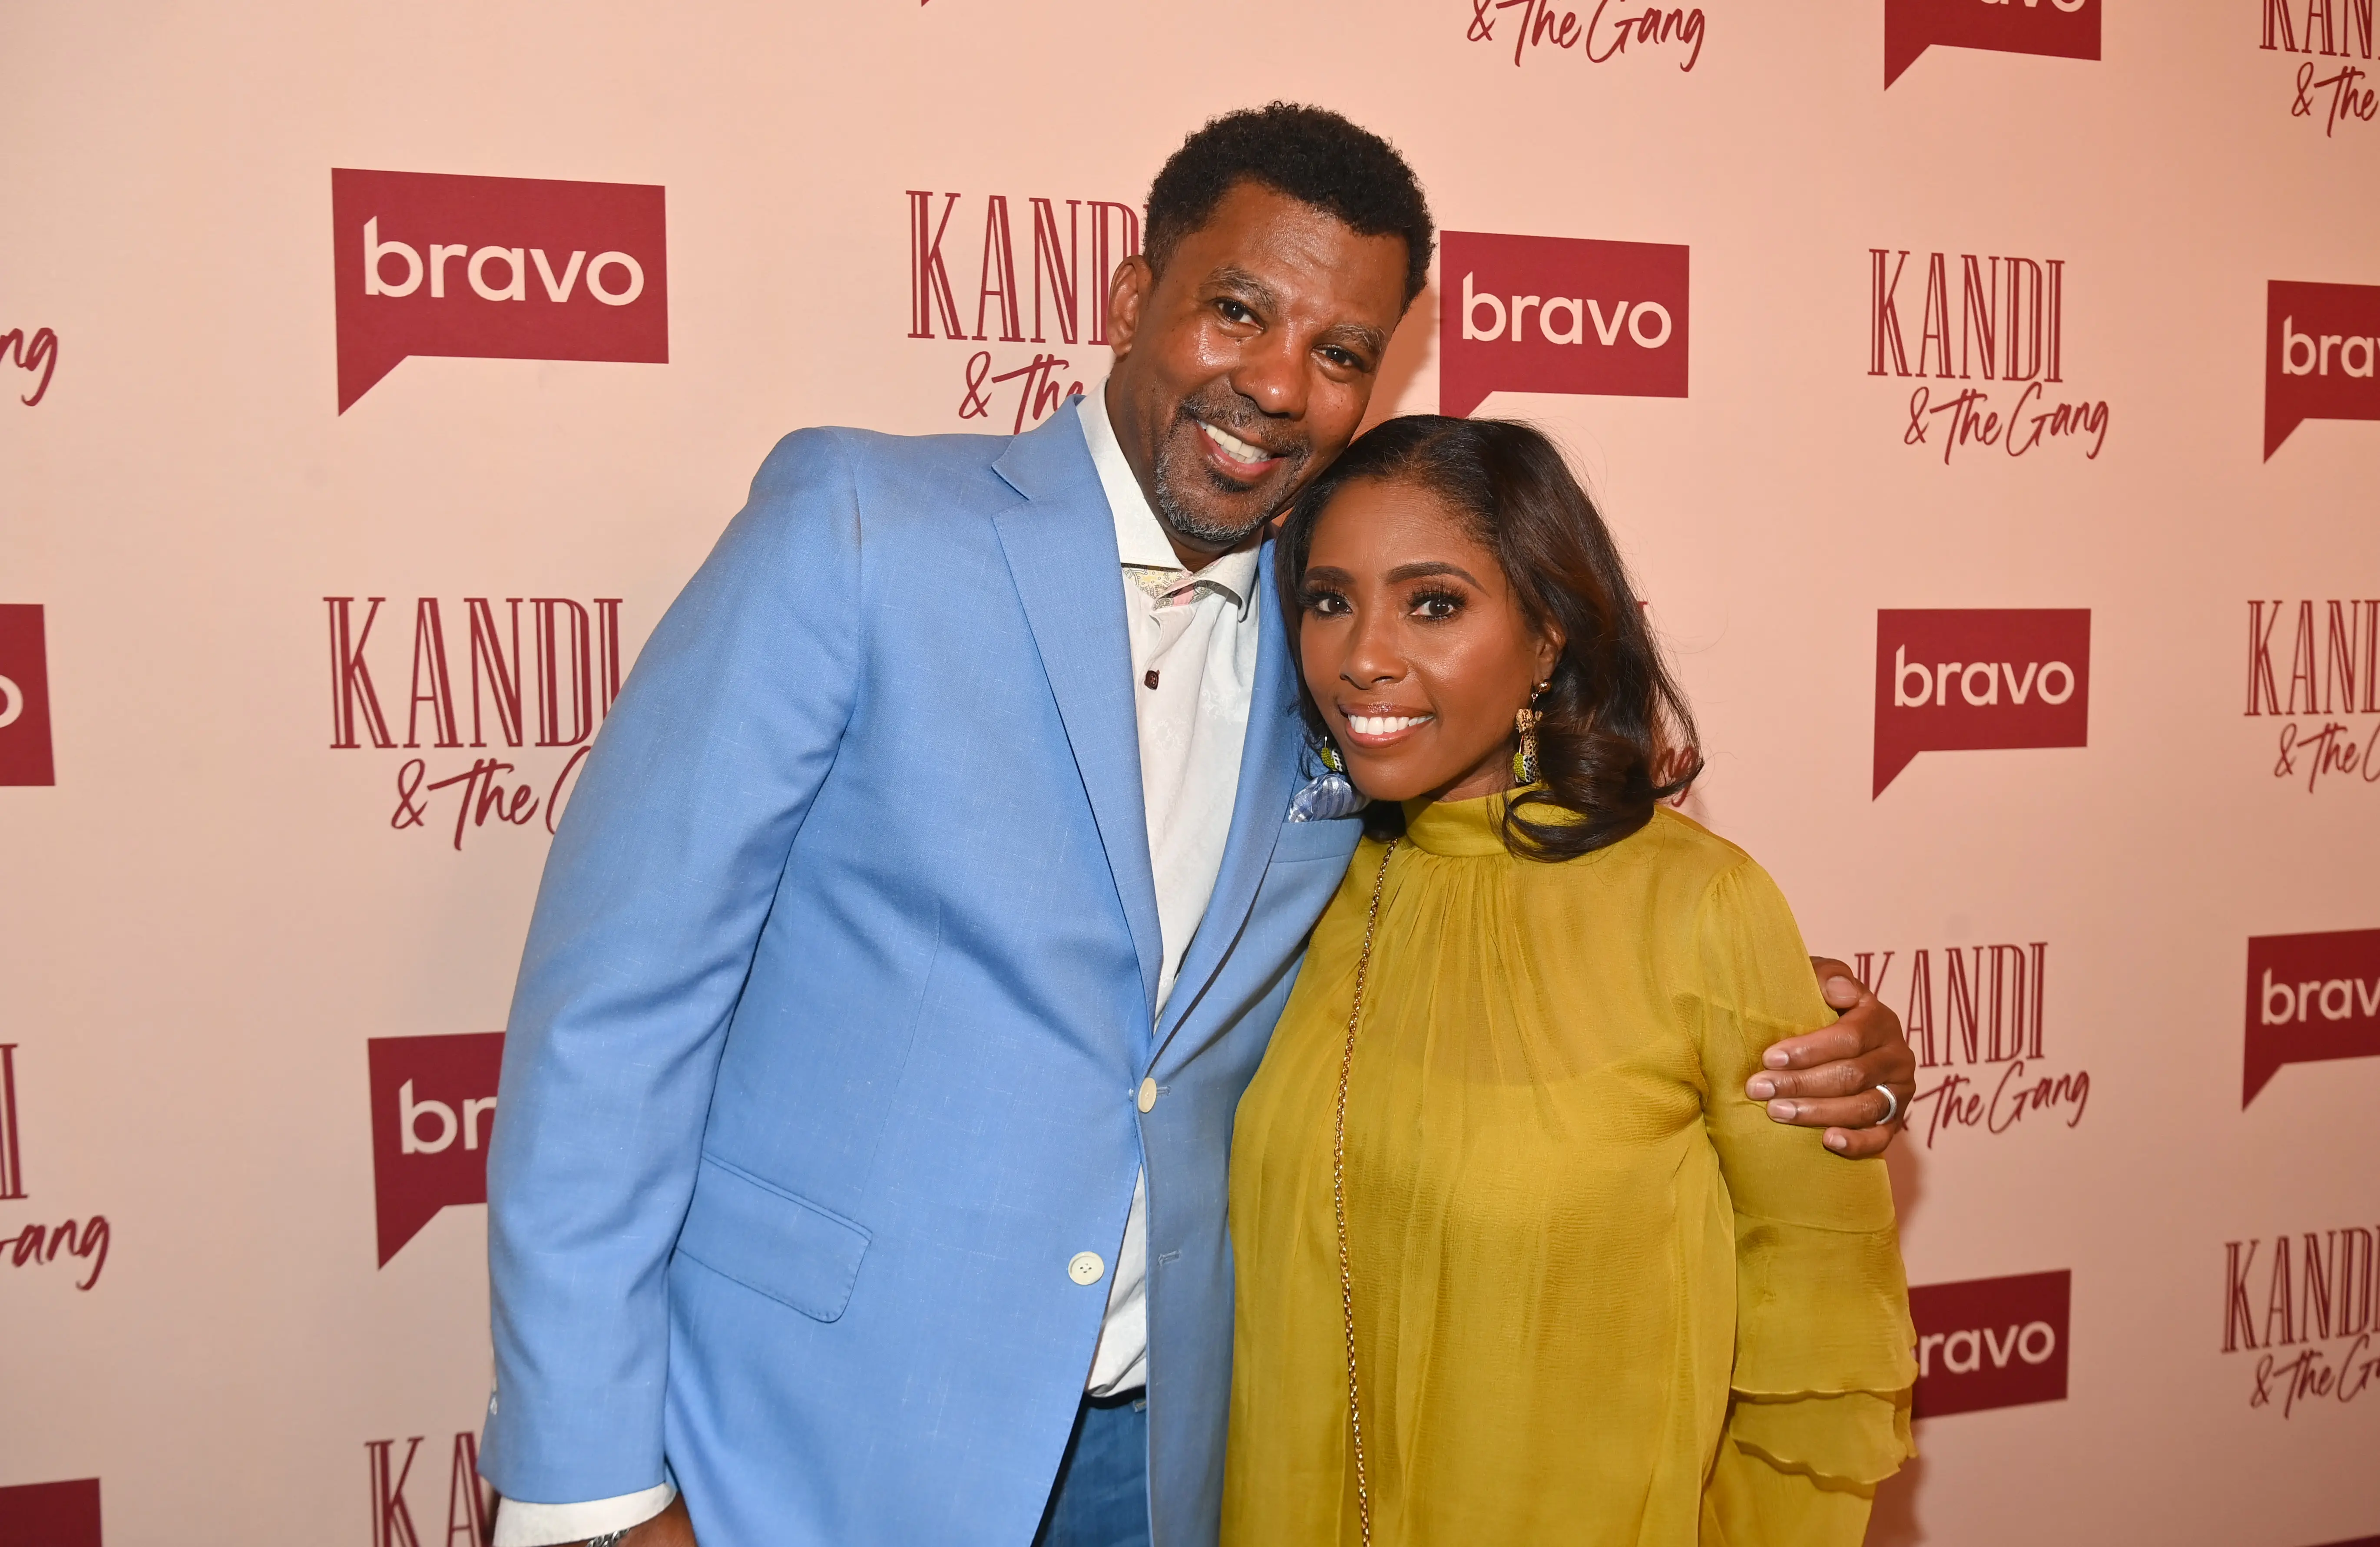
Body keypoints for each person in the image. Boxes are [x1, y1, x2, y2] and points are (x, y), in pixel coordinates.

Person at [478, 106, 1917, 1547]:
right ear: (1129, 300)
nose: (1277, 384)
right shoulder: (861, 527)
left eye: (1341, 353)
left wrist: (1801, 1035)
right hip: (812, 1438)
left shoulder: (1336, 635)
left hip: (1179, 1462)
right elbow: (617, 1010)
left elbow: (1498, 913)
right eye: (1238, 311)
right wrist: (590, 1487)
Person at [1222, 415, 1916, 1547]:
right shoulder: (1296, 885)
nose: (1363, 656)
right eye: (1329, 600)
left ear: (1547, 637)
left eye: (1433, 604)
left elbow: (1820, 1305)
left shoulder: (1697, 904)